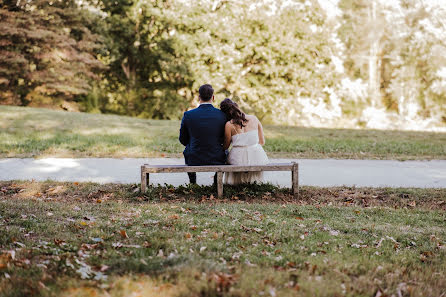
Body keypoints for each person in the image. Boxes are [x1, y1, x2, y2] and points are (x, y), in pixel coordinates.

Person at [179, 84, 227, 184]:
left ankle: (193, 182)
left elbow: (182, 139)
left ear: (199, 97)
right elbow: (225, 138)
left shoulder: (188, 115)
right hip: (217, 157)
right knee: (225, 151)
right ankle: (216, 182)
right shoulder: (222, 115)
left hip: (194, 157)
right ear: (213, 97)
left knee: (188, 149)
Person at [220, 98, 269, 184]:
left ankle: (237, 186)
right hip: (256, 157)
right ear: (237, 107)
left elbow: (226, 146)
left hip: (238, 158)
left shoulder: (229, 124)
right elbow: (262, 142)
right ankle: (254, 185)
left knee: (228, 157)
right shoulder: (254, 118)